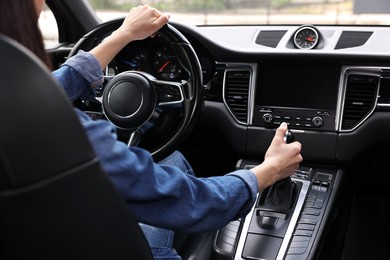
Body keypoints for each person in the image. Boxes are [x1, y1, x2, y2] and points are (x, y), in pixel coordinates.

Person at [0, 0, 303, 258]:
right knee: (177, 163)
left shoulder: (17, 102)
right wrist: (269, 171)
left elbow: (55, 85)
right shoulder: (62, 134)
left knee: (170, 161)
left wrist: (123, 36)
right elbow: (194, 201)